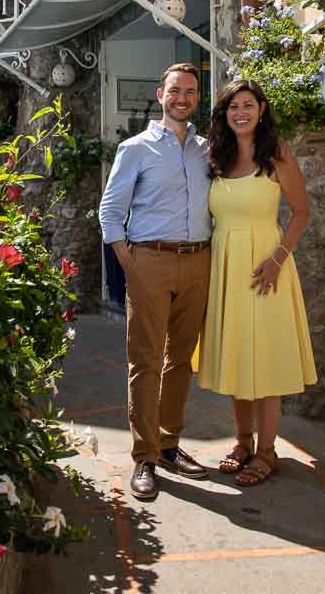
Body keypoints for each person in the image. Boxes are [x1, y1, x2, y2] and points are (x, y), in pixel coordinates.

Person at [99, 63, 212, 501]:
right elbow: (110, 211)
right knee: (145, 360)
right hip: (150, 260)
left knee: (181, 359)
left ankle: (169, 445)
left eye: (190, 91)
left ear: (197, 98)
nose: (182, 98)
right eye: (175, 91)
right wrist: (130, 261)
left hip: (198, 260)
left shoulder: (207, 150)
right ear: (159, 94)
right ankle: (144, 456)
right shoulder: (136, 148)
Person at [196, 79, 317, 486]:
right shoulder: (216, 156)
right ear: (224, 114)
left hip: (267, 266)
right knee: (237, 353)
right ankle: (243, 442)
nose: (240, 112)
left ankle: (267, 451)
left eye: (247, 104)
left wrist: (277, 260)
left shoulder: (277, 154)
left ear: (261, 109)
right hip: (225, 265)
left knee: (264, 358)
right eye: (232, 106)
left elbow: (301, 213)